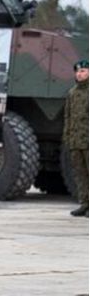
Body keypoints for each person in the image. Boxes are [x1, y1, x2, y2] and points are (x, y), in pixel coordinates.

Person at [63, 59, 89, 217]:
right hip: (76, 141)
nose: (79, 74)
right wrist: (67, 138)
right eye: (78, 71)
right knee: (80, 175)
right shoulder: (72, 93)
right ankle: (85, 204)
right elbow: (68, 117)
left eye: (83, 71)